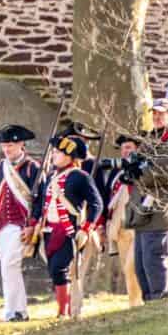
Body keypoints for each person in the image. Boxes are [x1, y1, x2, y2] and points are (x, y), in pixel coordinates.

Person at [31, 135, 103, 318]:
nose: (53, 155)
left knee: (59, 268)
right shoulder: (51, 176)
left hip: (69, 232)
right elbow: (41, 203)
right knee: (55, 271)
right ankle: (67, 310)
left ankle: (64, 312)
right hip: (49, 231)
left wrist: (86, 228)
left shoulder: (80, 177)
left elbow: (96, 204)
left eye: (58, 153)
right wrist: (35, 222)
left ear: (69, 156)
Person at [124, 98, 168, 301]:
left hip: (159, 209)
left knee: (154, 259)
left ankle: (159, 301)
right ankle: (149, 301)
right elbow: (137, 166)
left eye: (162, 113)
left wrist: (138, 168)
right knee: (140, 263)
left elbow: (161, 175)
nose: (157, 117)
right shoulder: (151, 139)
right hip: (143, 209)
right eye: (155, 113)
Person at [0, 124, 40, 322]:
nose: (7, 149)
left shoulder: (32, 168)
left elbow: (39, 199)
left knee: (10, 264)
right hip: (1, 224)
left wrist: (32, 224)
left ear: (21, 144)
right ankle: (17, 309)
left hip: (21, 224)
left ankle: (14, 310)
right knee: (7, 266)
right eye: (4, 146)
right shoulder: (0, 167)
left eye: (11, 145)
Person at [96, 134, 145, 307]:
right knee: (126, 268)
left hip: (138, 224)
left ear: (137, 149)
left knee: (133, 266)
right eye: (124, 148)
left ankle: (141, 302)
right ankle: (135, 303)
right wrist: (101, 224)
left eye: (129, 147)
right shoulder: (115, 173)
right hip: (120, 227)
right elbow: (105, 198)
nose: (125, 151)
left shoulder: (143, 167)